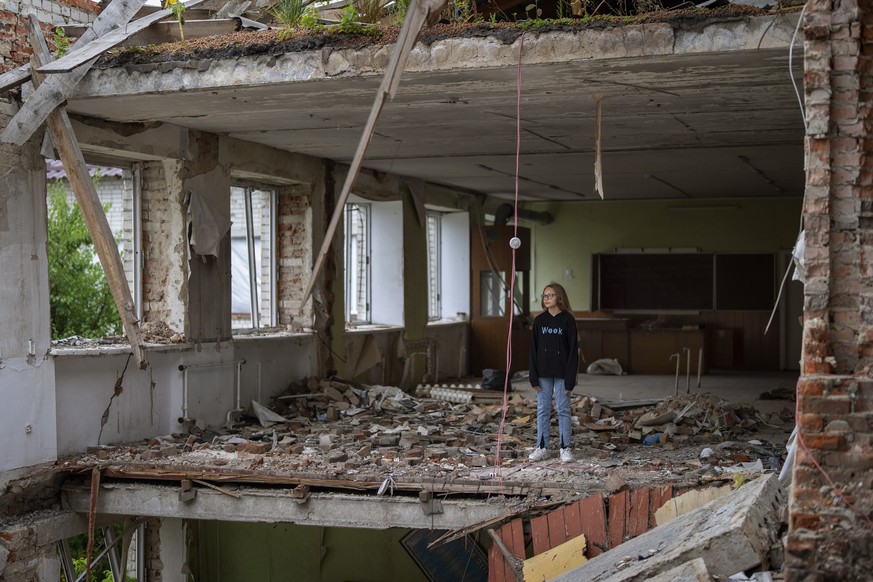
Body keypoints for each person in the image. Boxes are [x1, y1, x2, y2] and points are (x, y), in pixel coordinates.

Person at [528, 283, 579, 463]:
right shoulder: (539, 321)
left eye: (550, 295)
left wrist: (570, 379)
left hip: (562, 374)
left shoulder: (568, 320)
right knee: (543, 410)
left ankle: (565, 449)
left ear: (560, 297)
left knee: (563, 410)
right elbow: (533, 350)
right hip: (543, 374)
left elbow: (573, 351)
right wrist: (533, 375)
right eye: (544, 296)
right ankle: (542, 447)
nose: (546, 298)